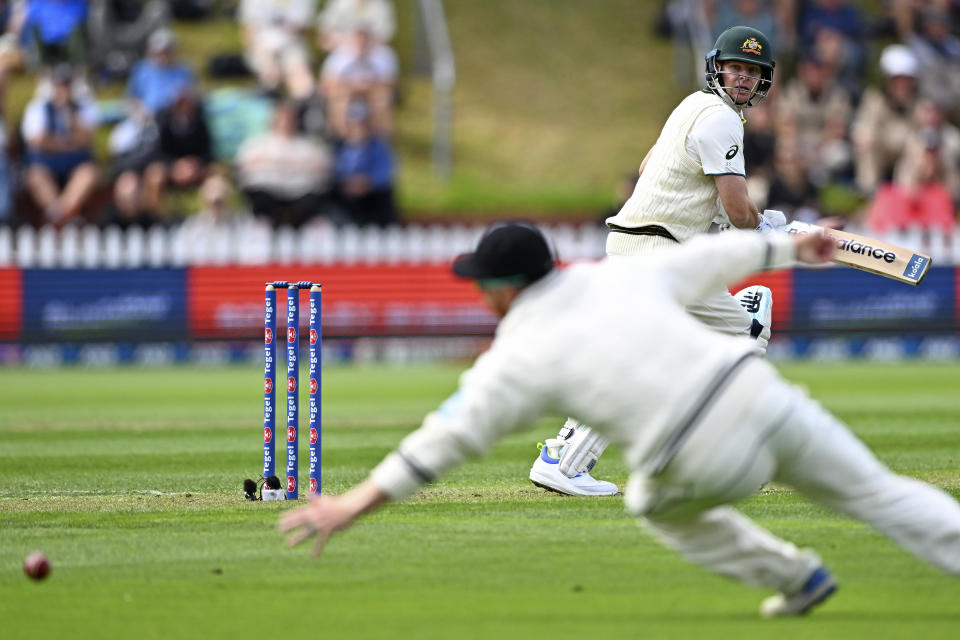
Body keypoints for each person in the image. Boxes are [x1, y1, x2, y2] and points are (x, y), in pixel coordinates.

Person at [279, 222, 960, 618]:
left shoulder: (517, 356)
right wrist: (802, 244)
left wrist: (350, 505)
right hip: (762, 394)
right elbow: (724, 255)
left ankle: (795, 577)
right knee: (877, 493)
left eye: (484, 283)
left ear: (508, 288)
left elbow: (438, 444)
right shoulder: (618, 277)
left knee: (651, 502)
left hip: (698, 453)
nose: (481, 294)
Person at [527, 25, 784, 497]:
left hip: (634, 249)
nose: (744, 79)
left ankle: (563, 453)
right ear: (718, 68)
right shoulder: (723, 121)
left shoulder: (691, 105)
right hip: (658, 256)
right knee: (744, 330)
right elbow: (736, 209)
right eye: (736, 68)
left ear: (763, 80)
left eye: (753, 72)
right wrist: (765, 226)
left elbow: (651, 169)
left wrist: (741, 218)